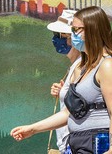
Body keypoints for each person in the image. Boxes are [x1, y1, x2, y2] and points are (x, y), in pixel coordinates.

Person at [10, 6, 112, 154]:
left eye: (76, 30)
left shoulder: (108, 65)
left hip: (100, 142)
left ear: (93, 30)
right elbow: (68, 113)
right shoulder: (80, 68)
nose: (72, 35)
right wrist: (33, 129)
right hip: (77, 142)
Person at [47, 10, 81, 153]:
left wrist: (32, 128)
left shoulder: (82, 67)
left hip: (75, 144)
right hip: (67, 144)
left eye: (59, 35)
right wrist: (63, 93)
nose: (55, 39)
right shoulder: (73, 67)